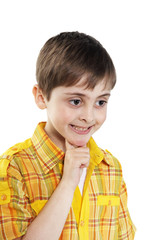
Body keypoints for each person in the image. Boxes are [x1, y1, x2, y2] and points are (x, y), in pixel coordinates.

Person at [0, 32, 136, 240]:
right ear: (41, 96)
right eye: (75, 101)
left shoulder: (111, 168)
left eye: (100, 102)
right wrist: (68, 182)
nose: (89, 116)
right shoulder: (14, 167)